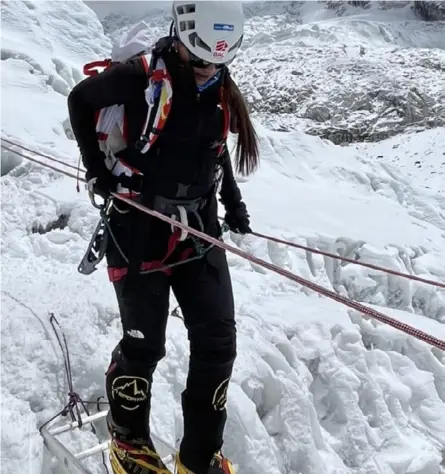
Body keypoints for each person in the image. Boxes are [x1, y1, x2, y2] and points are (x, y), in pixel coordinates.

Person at [68, 1, 259, 474]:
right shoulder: (140, 77)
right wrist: (99, 173)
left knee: (218, 342)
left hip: (198, 230)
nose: (207, 71)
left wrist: (233, 204)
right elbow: (80, 99)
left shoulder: (216, 82)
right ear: (180, 39)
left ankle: (198, 456)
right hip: (136, 229)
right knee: (144, 344)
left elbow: (213, 149)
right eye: (198, 60)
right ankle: (128, 443)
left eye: (217, 62)